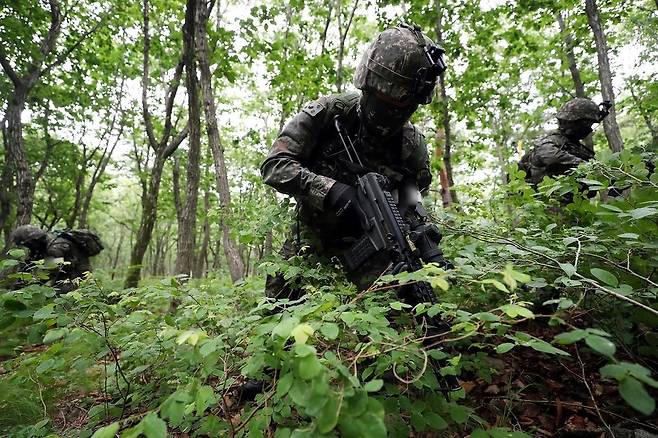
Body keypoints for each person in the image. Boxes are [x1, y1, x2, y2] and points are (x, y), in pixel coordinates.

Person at [260, 23, 451, 302]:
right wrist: (332, 191)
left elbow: (413, 196)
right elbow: (275, 165)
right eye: (389, 98)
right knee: (278, 309)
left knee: (396, 312)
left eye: (404, 103)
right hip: (311, 238)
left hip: (374, 245)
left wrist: (420, 227)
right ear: (370, 85)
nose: (395, 110)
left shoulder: (411, 145)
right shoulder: (329, 113)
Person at [518, 98, 611, 185]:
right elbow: (549, 155)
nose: (589, 129)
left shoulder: (578, 148)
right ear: (573, 122)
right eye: (587, 124)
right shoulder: (550, 141)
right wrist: (588, 166)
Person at [9, 225, 103, 293]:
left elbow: (51, 271)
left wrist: (29, 285)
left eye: (27, 244)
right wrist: (17, 286)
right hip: (67, 273)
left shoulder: (54, 248)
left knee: (59, 296)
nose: (28, 247)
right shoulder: (42, 246)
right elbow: (28, 266)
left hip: (77, 274)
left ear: (33, 241)